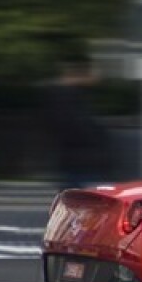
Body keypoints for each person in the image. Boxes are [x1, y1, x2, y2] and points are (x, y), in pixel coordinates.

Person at [43, 60, 114, 189]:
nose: (96, 78)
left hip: (79, 160)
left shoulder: (69, 96)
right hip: (83, 161)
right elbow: (77, 128)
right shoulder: (67, 97)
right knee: (84, 201)